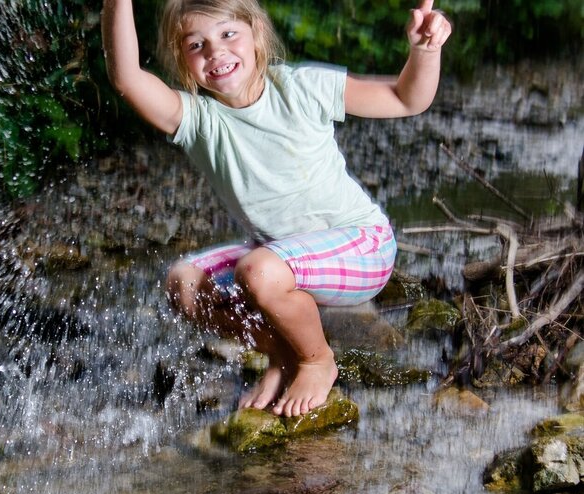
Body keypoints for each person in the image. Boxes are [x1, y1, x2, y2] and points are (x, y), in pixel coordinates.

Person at [101, 0, 451, 417]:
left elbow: (404, 98)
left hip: (362, 246)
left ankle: (316, 360)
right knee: (184, 283)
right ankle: (282, 351)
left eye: (229, 34)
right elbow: (126, 78)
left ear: (257, 35)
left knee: (260, 270)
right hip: (279, 260)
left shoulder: (303, 88)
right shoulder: (199, 120)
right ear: (182, 60)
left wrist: (425, 52)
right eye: (197, 44)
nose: (216, 52)